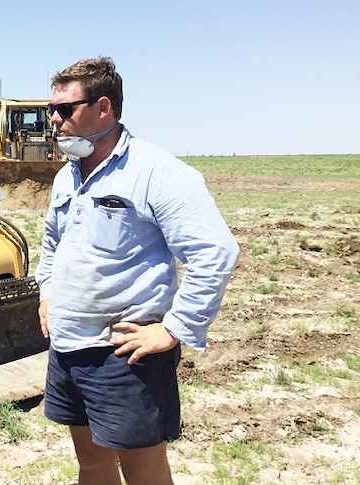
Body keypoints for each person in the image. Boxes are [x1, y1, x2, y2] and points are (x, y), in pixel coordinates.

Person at [35, 57, 241, 485]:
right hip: (68, 346)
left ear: (103, 107)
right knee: (91, 462)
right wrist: (47, 295)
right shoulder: (67, 177)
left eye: (64, 110)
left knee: (143, 472)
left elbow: (215, 252)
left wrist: (174, 329)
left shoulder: (156, 172)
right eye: (50, 110)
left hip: (124, 353)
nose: (53, 119)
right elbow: (52, 243)